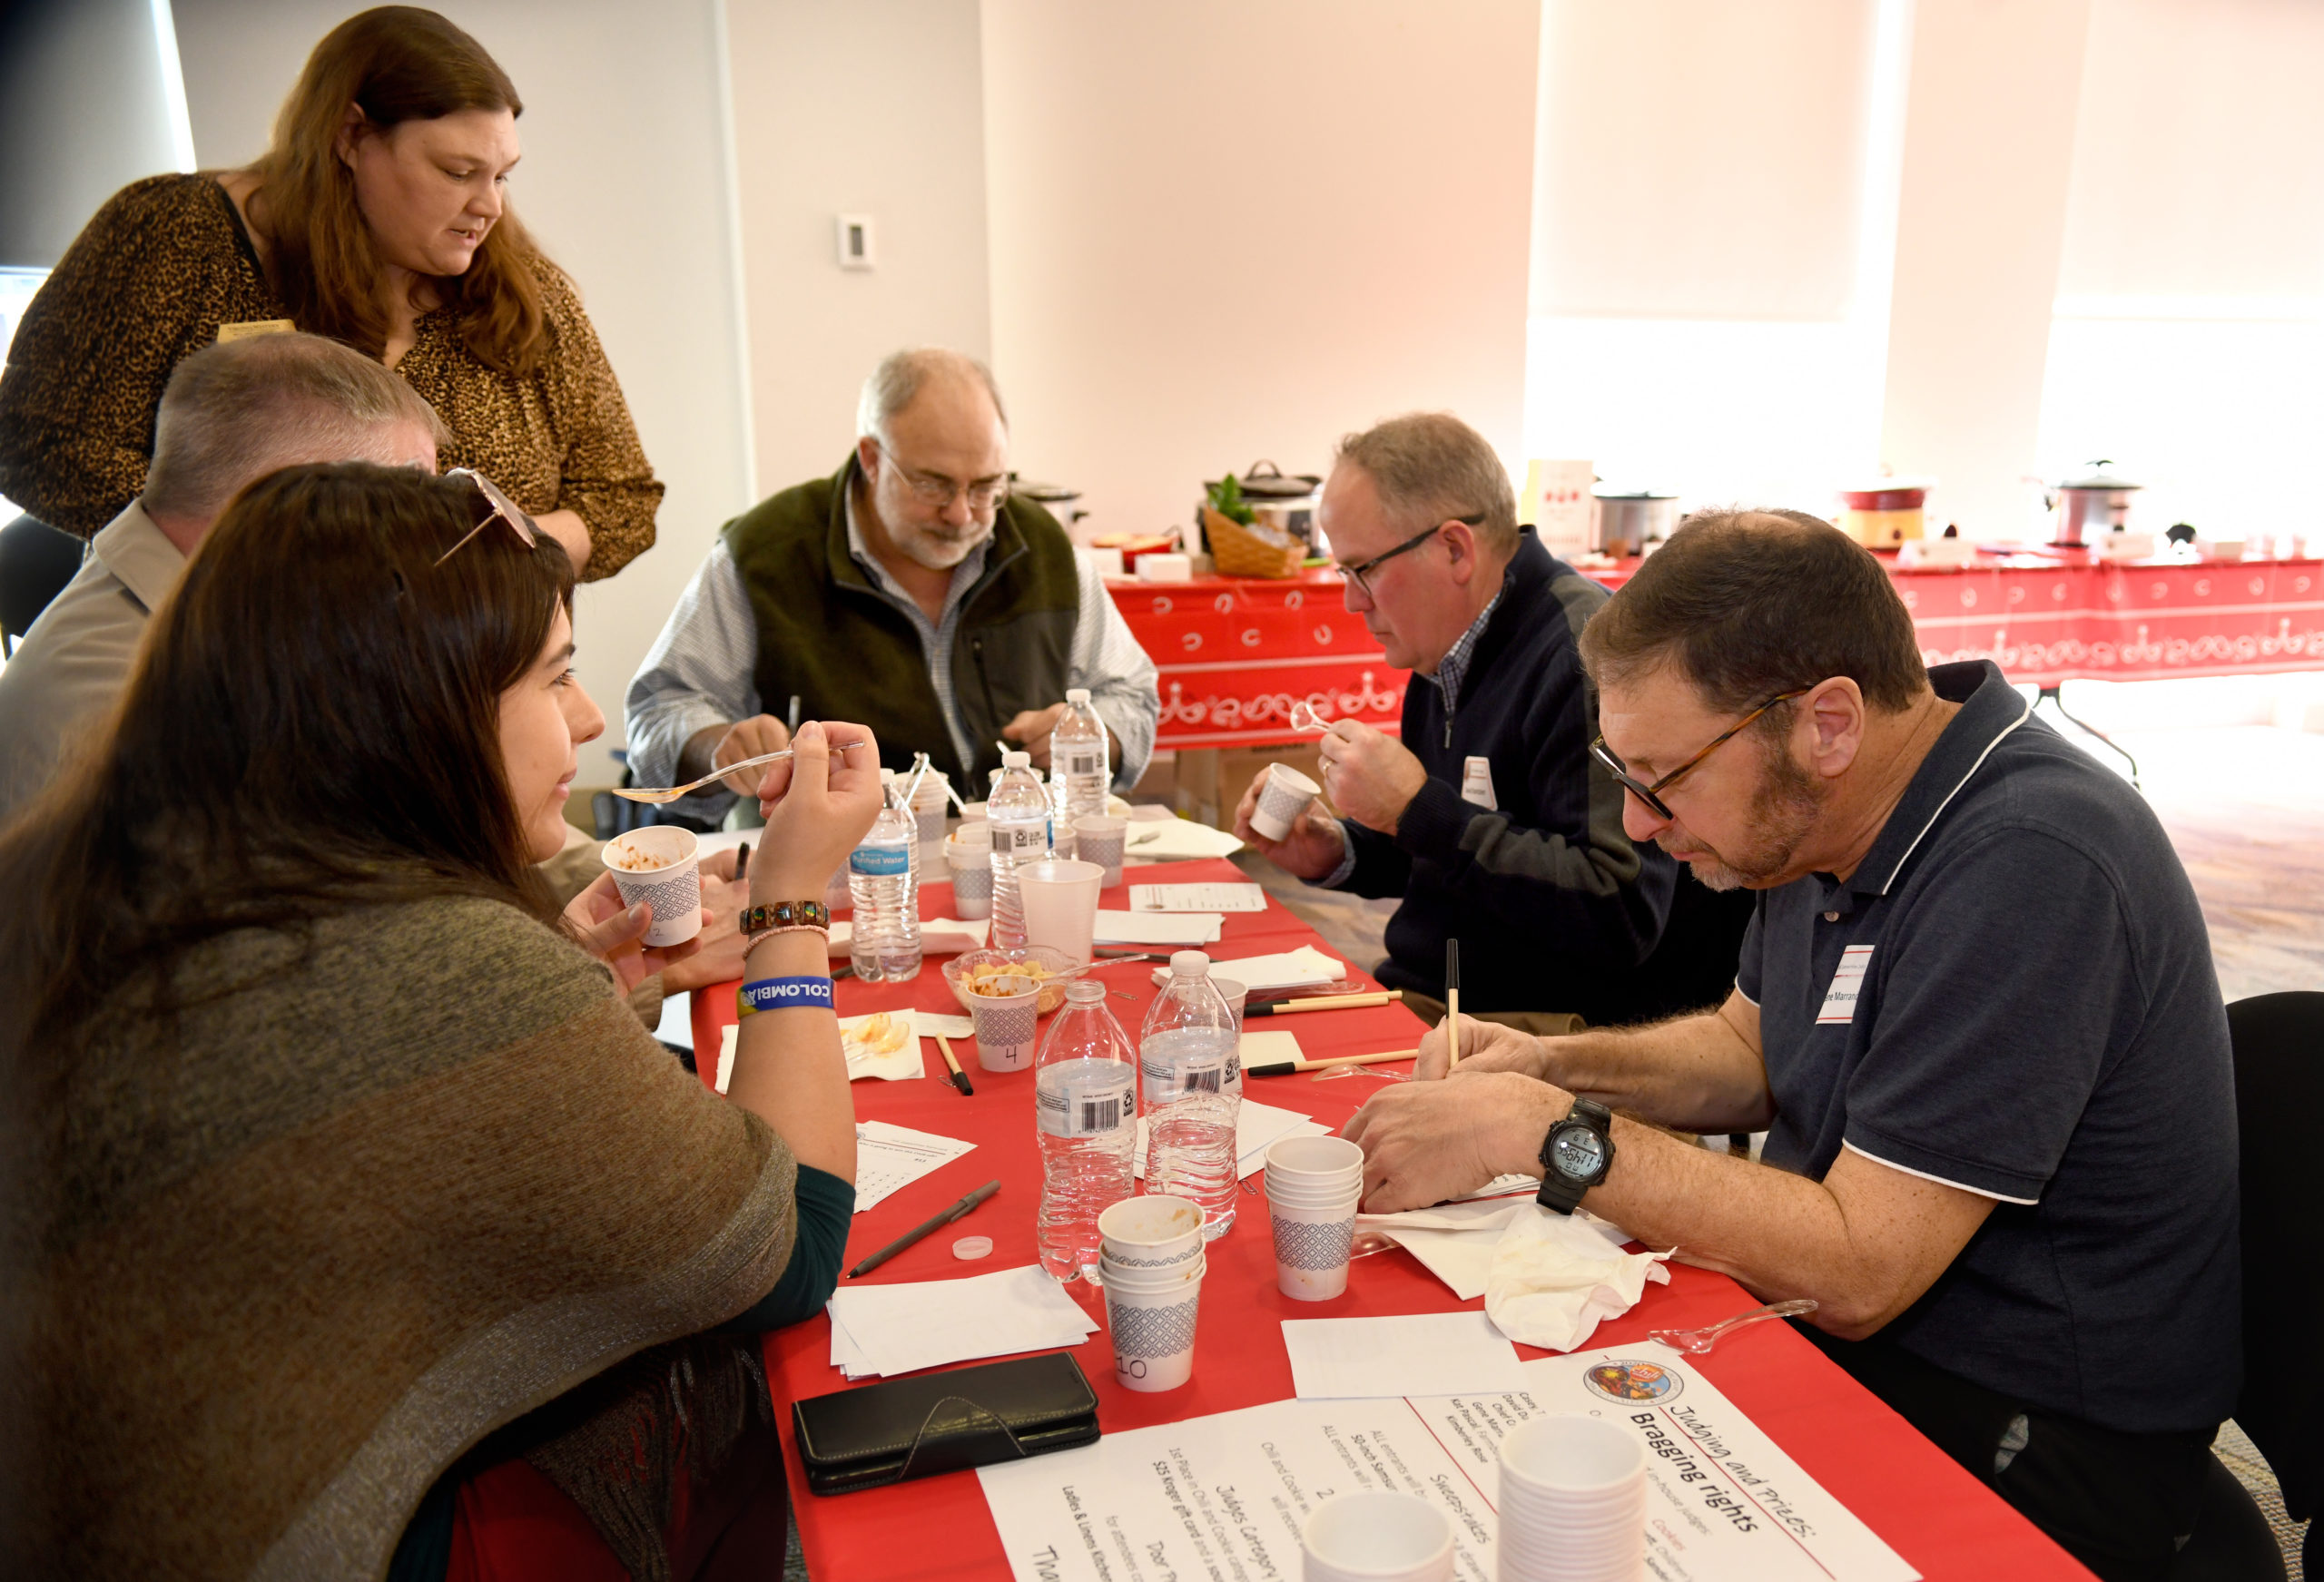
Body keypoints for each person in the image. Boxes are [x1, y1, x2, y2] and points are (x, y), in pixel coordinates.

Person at [0, 463, 881, 1579]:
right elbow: (787, 1253)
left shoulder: (98, 872)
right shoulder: (443, 968)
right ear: (420, 703)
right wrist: (791, 905)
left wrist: (559, 989)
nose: (589, 716)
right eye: (555, 677)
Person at [1344, 510, 2241, 1582]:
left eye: (1661, 780)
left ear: (1826, 724)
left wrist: (1549, 1136)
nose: (1636, 826)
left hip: (2034, 1431)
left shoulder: (2029, 860)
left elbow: (1862, 1267)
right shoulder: (1823, 812)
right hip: (1877, 1350)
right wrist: (1546, 1068)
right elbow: (1751, 1049)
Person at [0, 6, 659, 581]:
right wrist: (273, 553)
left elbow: (621, 501)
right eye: (458, 172)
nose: (487, 206)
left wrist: (505, 546)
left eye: (502, 177)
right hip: (227, 669)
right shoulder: (182, 235)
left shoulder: (521, 287)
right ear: (351, 137)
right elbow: (35, 442)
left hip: (468, 689)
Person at [1232, 413, 1751, 1031]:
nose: (1351, 600)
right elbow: (1457, 857)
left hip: (1539, 1027)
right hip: (1441, 1003)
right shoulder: (1446, 650)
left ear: (1454, 548)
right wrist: (1337, 850)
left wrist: (1414, 808)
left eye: (1363, 568)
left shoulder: (1580, 655)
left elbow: (1619, 911)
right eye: (1343, 572)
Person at [625, 347, 1158, 808]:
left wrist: (1094, 732)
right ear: (872, 458)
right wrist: (715, 743)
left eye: (986, 487)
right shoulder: (767, 556)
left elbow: (1132, 695)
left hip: (1019, 853)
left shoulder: (1040, 548)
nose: (962, 514)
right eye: (933, 485)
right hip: (833, 871)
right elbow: (658, 710)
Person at [0, 332, 439, 820]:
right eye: (402, 504)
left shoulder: (216, 607)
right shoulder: (145, 712)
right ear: (286, 503)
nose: (417, 542)